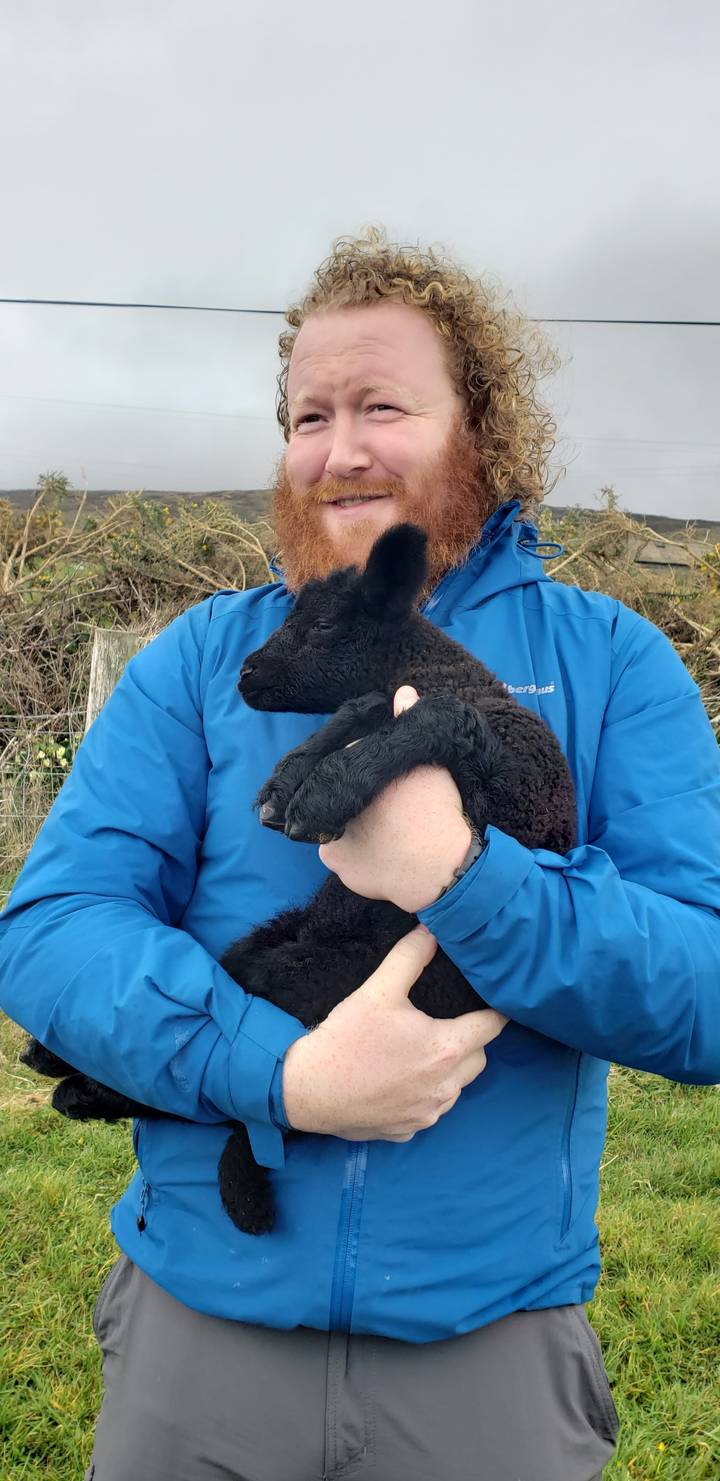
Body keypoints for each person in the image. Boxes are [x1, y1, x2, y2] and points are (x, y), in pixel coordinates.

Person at [1, 227, 719, 1481]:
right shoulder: (197, 661)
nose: (340, 450)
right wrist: (286, 1079)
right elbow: (55, 928)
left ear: (480, 428)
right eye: (308, 413)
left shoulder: (611, 664)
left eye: (383, 403)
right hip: (199, 1342)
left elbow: (705, 992)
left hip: (486, 1357)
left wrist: (466, 876)